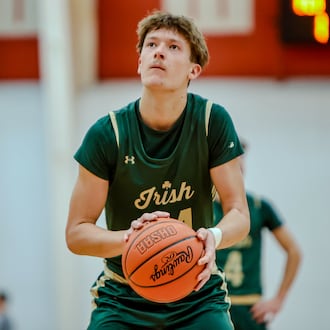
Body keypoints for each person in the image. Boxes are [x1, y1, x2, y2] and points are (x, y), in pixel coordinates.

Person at [66, 10, 250, 330]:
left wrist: (213, 236)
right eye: (151, 45)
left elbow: (239, 214)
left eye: (173, 47)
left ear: (194, 70)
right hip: (123, 296)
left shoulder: (212, 121)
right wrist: (136, 241)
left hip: (195, 290)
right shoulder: (107, 134)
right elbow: (76, 233)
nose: (159, 51)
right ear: (139, 62)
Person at [214, 140, 302, 330]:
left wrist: (278, 300)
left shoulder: (258, 206)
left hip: (249, 307)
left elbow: (294, 251)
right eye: (231, 159)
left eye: (240, 159)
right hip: (212, 303)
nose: (238, 165)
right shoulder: (201, 208)